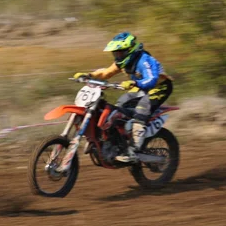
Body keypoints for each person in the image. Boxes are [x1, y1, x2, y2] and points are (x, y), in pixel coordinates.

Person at [73, 32, 173, 163]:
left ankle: (134, 150)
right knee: (119, 108)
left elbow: (152, 79)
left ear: (130, 49)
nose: (117, 56)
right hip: (139, 87)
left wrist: (134, 83)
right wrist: (88, 75)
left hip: (159, 88)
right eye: (115, 53)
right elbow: (105, 73)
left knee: (142, 109)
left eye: (120, 52)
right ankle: (120, 142)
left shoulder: (145, 60)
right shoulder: (122, 62)